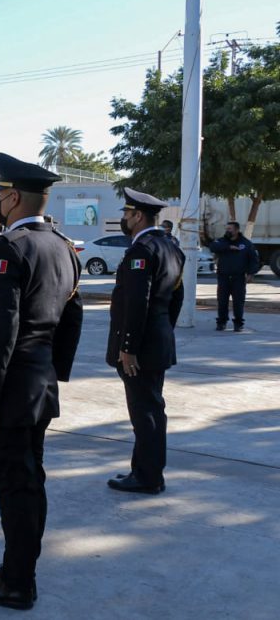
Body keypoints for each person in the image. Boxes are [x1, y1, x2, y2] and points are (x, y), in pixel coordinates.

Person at [0, 153, 83, 611]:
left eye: (0, 195)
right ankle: (17, 568)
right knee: (29, 481)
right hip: (38, 381)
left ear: (12, 197)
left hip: (8, 386)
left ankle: (17, 583)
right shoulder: (62, 246)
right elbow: (73, 314)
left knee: (15, 485)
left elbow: (1, 328)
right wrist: (55, 371)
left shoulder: (8, 249)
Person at [106, 188, 185, 495]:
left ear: (138, 216)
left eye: (126, 214)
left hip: (140, 348)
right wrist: (164, 331)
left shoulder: (142, 250)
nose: (124, 219)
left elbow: (137, 302)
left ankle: (149, 477)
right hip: (158, 341)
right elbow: (175, 297)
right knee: (151, 408)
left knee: (145, 412)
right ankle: (143, 470)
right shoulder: (170, 246)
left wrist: (129, 347)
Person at [210, 221, 259, 332]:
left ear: (236, 230)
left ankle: (238, 323)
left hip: (239, 278)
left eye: (230, 229)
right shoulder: (222, 241)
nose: (227, 231)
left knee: (238, 302)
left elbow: (254, 260)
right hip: (223, 277)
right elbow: (213, 246)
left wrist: (251, 274)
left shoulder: (246, 244)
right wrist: (228, 247)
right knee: (222, 301)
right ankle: (221, 323)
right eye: (226, 228)